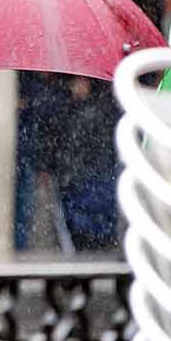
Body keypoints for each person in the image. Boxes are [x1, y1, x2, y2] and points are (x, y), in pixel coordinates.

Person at [50, 76, 122, 253]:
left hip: (88, 178)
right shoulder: (72, 110)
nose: (75, 88)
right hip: (83, 178)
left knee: (89, 223)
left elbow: (77, 147)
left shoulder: (91, 111)